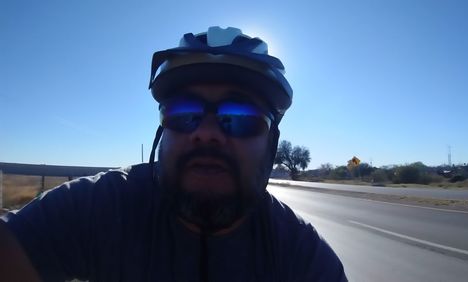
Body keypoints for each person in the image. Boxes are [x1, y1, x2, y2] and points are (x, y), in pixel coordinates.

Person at [0, 26, 347, 282]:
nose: (207, 133)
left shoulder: (303, 257)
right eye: (184, 112)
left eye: (239, 118)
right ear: (162, 128)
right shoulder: (100, 206)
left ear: (272, 141)